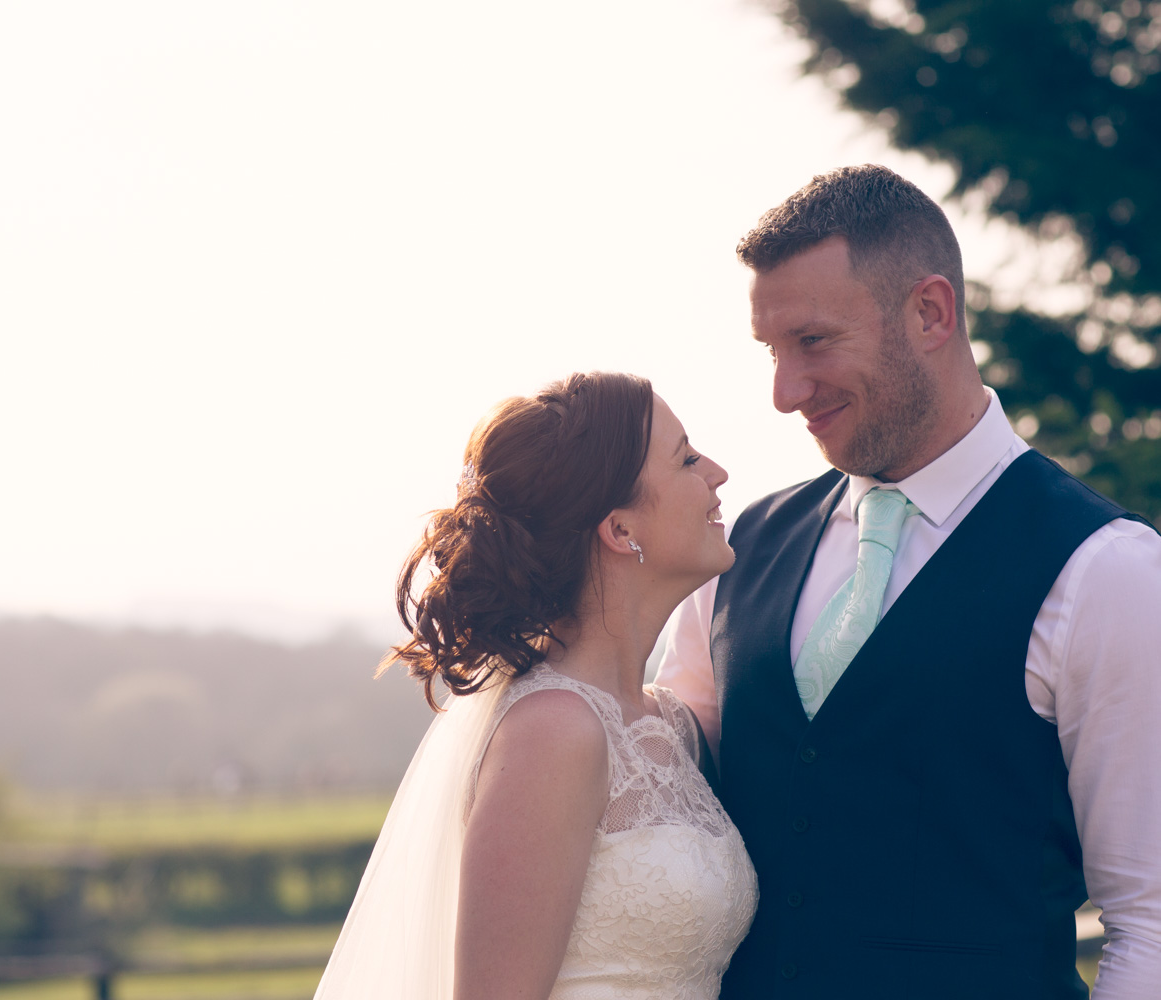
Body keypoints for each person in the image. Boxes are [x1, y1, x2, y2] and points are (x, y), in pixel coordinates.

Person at [657, 164, 1161, 999]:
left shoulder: (1106, 570)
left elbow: (1148, 922)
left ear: (931, 312)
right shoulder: (740, 547)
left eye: (813, 341)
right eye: (772, 351)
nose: (785, 392)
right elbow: (657, 791)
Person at [315, 371, 758, 1000]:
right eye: (686, 459)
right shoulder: (553, 732)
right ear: (620, 530)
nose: (718, 473)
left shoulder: (670, 724)